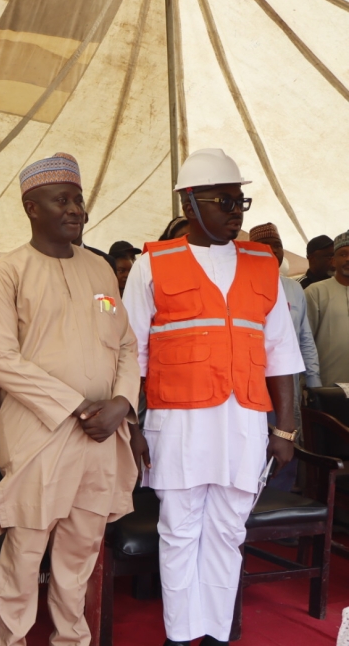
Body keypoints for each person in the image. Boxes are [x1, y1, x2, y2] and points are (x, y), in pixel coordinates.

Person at [122, 148, 302, 646]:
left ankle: (217, 634)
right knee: (178, 532)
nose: (235, 211)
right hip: (176, 424)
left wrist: (285, 429)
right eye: (223, 200)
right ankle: (181, 635)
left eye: (239, 200)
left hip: (244, 423)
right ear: (188, 202)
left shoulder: (263, 265)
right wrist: (132, 428)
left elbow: (282, 352)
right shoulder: (150, 266)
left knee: (228, 532)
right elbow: (129, 353)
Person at [0, 152, 140, 646]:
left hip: (102, 434)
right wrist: (76, 405)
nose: (76, 210)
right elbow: (1, 360)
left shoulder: (101, 272)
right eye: (61, 200)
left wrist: (120, 403)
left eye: (78, 200)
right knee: (26, 550)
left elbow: (128, 344)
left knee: (80, 553)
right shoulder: (8, 272)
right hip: (41, 430)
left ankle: (72, 642)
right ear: (31, 207)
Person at [248, 222, 321, 490]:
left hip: (287, 382)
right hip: (252, 381)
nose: (272, 251)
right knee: (255, 445)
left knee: (287, 439)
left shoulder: (293, 289)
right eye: (264, 246)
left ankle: (282, 506)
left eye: (277, 245)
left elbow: (304, 339)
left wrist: (313, 383)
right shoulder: (241, 285)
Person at [305, 230, 349, 387]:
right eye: (343, 254)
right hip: (327, 389)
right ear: (334, 260)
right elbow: (305, 341)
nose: (348, 259)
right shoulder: (315, 292)